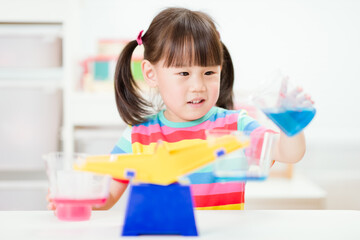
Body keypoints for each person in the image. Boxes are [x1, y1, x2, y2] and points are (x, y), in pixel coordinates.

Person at [47, 7, 307, 211]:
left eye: (209, 72)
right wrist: (79, 199)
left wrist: (291, 124)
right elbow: (108, 195)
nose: (198, 86)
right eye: (183, 72)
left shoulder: (236, 126)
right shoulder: (139, 136)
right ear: (151, 73)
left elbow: (288, 152)